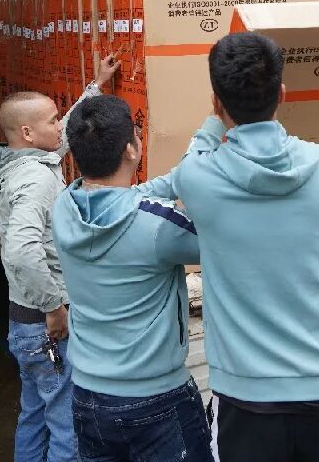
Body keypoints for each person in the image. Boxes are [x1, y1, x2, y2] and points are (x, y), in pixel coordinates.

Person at [173, 32, 319, 462]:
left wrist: (214, 121)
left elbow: (190, 162)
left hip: (246, 395)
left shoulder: (198, 179)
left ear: (216, 103)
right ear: (282, 93)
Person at [52, 95, 211, 462]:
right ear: (131, 149)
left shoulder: (65, 206)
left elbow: (133, 196)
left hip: (88, 397)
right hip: (157, 402)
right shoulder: (158, 226)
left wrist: (206, 135)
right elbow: (222, 241)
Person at [0, 55, 118, 462]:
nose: (61, 126)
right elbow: (21, 250)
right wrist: (54, 307)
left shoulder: (20, 160)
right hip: (44, 327)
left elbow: (60, 139)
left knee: (34, 414)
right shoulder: (36, 178)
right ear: (27, 132)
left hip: (23, 321)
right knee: (67, 425)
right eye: (54, 120)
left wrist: (96, 86)